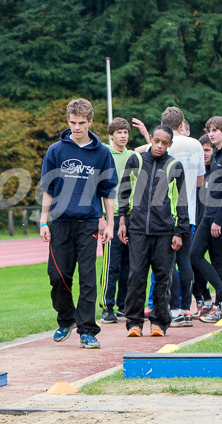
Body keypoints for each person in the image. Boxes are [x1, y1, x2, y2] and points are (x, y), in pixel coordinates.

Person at [39, 98, 117, 349]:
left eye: (82, 123)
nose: (77, 127)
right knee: (57, 276)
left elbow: (108, 191)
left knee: (87, 278)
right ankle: (66, 319)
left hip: (88, 223)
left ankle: (87, 330)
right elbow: (48, 189)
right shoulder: (55, 150)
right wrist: (43, 221)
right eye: (72, 122)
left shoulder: (102, 152)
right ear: (68, 121)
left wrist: (110, 223)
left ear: (90, 122)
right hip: (60, 221)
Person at [131, 107, 205, 327]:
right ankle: (184, 309)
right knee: (184, 262)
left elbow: (143, 153)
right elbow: (200, 181)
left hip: (164, 215)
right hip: (186, 212)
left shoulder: (159, 149)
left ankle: (165, 308)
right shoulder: (195, 144)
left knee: (162, 268)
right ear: (182, 124)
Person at [118, 125, 189, 337]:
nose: (159, 146)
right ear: (150, 138)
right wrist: (122, 222)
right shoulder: (136, 160)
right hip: (138, 229)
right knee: (136, 277)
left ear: (170, 144)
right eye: (156, 140)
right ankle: (134, 323)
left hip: (165, 232)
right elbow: (124, 192)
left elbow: (182, 201)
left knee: (162, 278)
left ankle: (159, 322)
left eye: (164, 142)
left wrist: (179, 231)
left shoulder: (174, 165)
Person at [191, 116, 222, 322]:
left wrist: (218, 221)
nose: (212, 134)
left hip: (221, 217)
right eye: (209, 130)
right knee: (194, 255)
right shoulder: (216, 153)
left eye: (216, 130)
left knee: (220, 261)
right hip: (208, 214)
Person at [99, 118, 135, 324]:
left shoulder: (133, 156)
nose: (123, 136)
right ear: (111, 135)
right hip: (111, 216)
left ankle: (124, 304)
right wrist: (101, 217)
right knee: (111, 264)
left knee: (129, 265)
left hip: (130, 215)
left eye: (126, 132)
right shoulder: (104, 154)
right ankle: (107, 306)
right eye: (119, 132)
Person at [192, 133, 214, 319]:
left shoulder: (215, 171)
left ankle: (211, 299)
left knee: (199, 259)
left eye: (207, 150)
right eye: (202, 150)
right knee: (192, 261)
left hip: (209, 222)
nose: (204, 154)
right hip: (195, 220)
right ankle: (202, 299)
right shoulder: (196, 170)